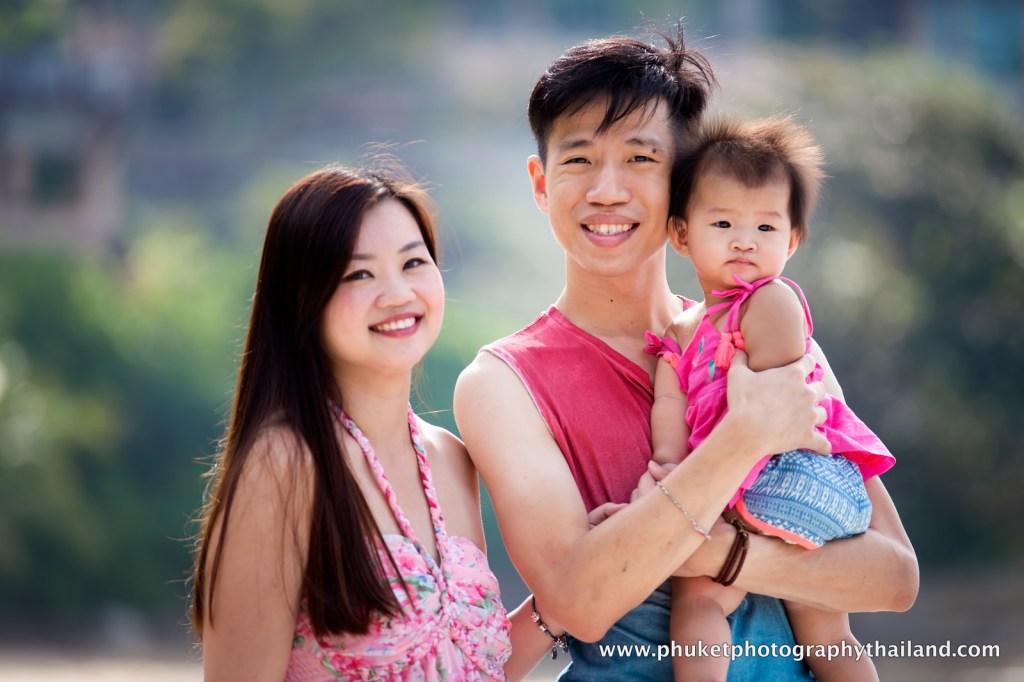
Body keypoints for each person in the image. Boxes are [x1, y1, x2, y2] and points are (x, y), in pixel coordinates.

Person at [453, 24, 918, 680]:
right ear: (540, 181)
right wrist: (744, 436)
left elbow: (894, 578)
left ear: (685, 183)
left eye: (641, 159)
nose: (607, 190)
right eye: (579, 159)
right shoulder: (503, 383)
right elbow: (579, 602)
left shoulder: (760, 331)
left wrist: (715, 556)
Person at [190, 163, 555, 681]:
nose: (397, 294)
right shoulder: (287, 464)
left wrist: (558, 606)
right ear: (303, 298)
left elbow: (470, 666)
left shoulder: (451, 458)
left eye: (413, 263)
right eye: (359, 273)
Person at [643, 114, 894, 681]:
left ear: (792, 240)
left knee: (700, 602)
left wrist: (693, 488)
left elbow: (780, 405)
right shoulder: (676, 336)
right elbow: (668, 415)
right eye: (724, 222)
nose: (744, 241)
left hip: (788, 477)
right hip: (749, 488)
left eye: (765, 228)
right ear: (681, 234)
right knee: (827, 631)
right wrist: (669, 469)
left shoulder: (770, 301)